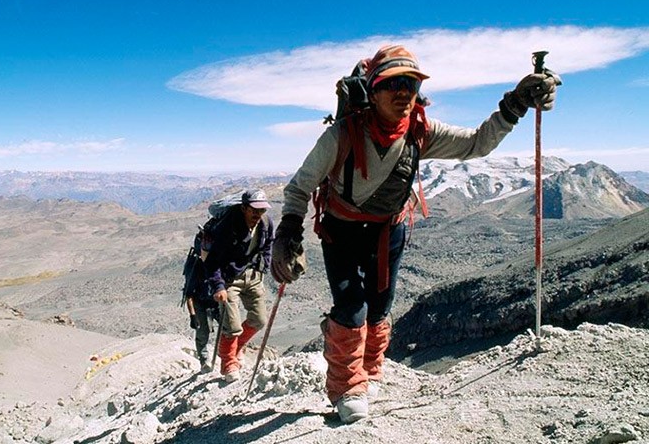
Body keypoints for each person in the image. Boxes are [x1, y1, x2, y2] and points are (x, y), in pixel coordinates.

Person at [270, 44, 560, 423]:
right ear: (372, 91)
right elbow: (299, 187)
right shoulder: (342, 135)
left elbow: (477, 143)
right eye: (393, 84)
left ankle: (370, 371)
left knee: (380, 304)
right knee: (351, 307)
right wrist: (289, 231)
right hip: (342, 230)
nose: (404, 92)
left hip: (390, 229)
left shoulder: (421, 131)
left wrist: (516, 104)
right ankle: (347, 387)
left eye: (410, 83)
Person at [203, 189, 275, 382]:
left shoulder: (266, 223)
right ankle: (228, 363)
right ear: (244, 208)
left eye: (262, 211)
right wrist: (218, 286)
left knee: (259, 320)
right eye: (254, 210)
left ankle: (237, 348)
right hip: (229, 280)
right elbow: (212, 261)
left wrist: (264, 266)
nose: (258, 215)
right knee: (232, 325)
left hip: (253, 276)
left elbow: (268, 245)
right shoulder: (228, 227)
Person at [182, 238, 220, 372]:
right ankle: (204, 362)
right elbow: (189, 293)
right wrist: (193, 315)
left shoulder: (217, 260)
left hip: (217, 300)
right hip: (200, 302)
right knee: (202, 332)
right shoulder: (194, 267)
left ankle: (228, 356)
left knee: (229, 326)